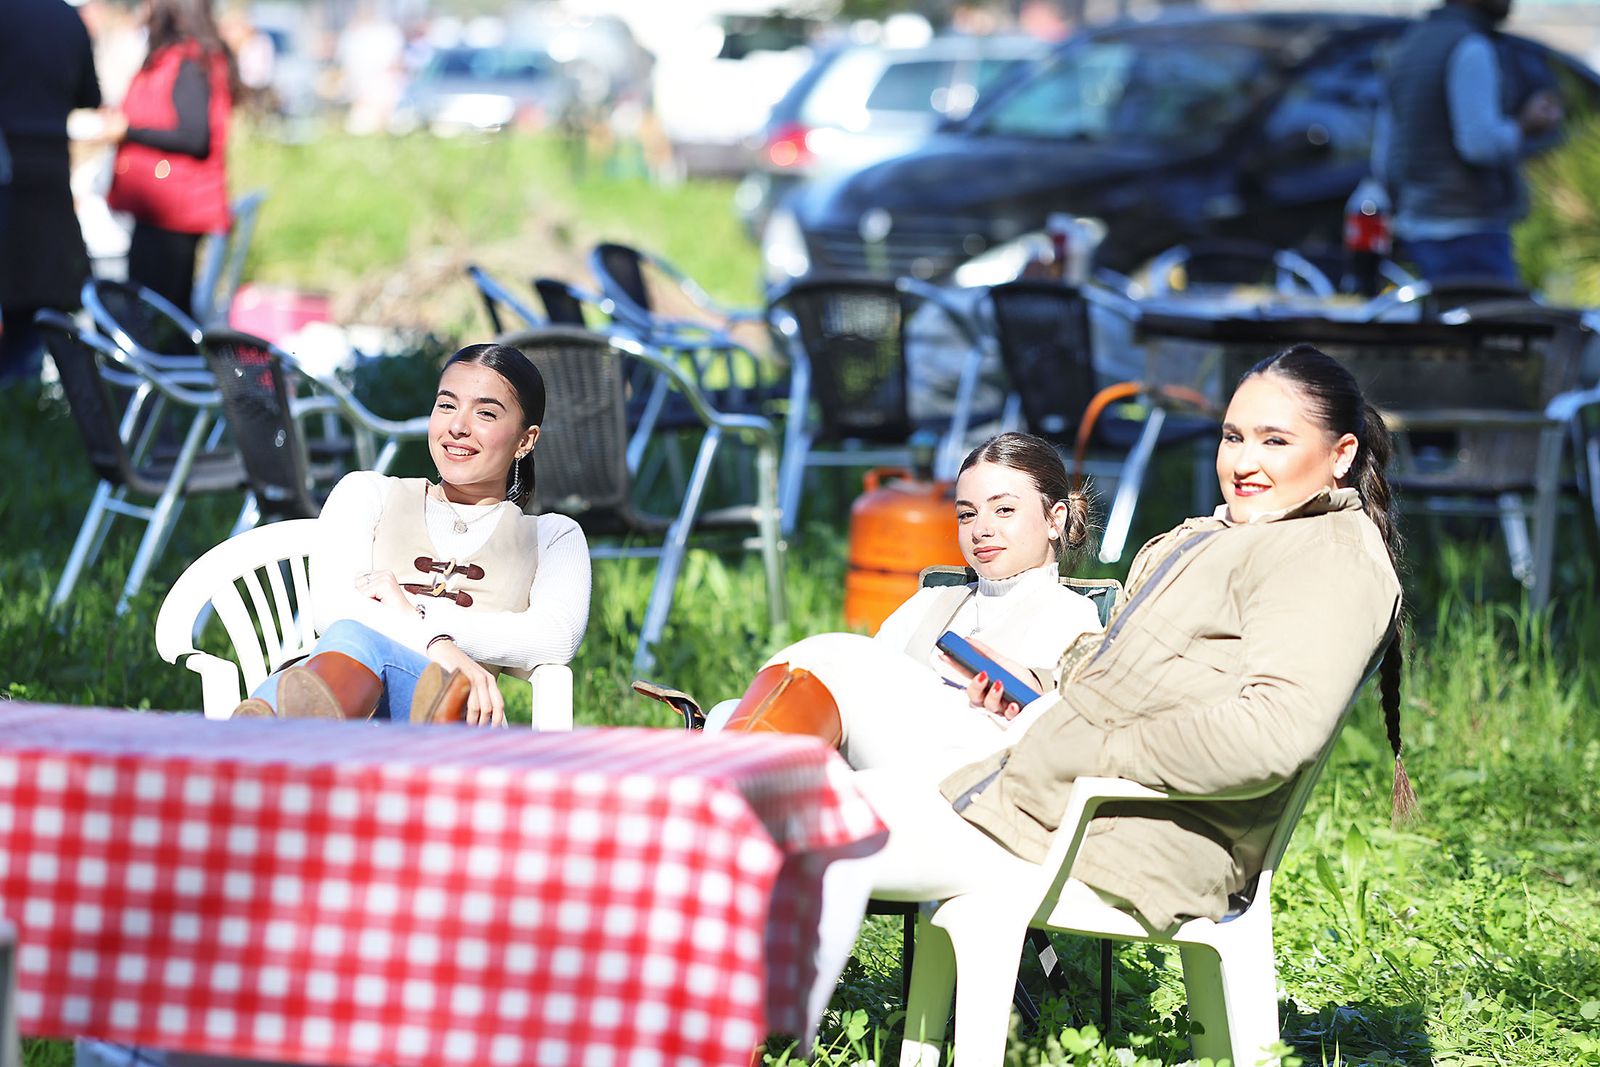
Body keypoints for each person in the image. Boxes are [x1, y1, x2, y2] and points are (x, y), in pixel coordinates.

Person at [856, 344, 1410, 934]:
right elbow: (1156, 683)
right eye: (1232, 437)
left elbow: (1270, 737)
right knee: (819, 704)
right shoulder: (1243, 535)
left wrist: (1088, 744)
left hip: (1106, 841)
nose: (1244, 462)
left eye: (1274, 441)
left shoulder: (1327, 559)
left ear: (1341, 454)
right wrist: (1042, 691)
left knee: (802, 810)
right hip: (1048, 799)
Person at [694, 432, 1104, 775]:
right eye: (966, 515)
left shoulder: (1072, 614)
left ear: (1056, 519)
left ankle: (717, 806)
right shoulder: (932, 602)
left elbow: (1080, 733)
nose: (981, 529)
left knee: (830, 658)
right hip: (901, 768)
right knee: (727, 713)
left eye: (1004, 510)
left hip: (976, 778)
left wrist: (1031, 690)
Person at [231, 343, 592, 726]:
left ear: (525, 440)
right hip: (344, 701)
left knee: (360, 636)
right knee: (351, 637)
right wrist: (436, 643)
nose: (457, 426)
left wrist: (412, 611)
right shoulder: (367, 493)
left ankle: (263, 736)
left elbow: (556, 637)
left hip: (458, 723)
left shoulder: (553, 536)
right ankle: (276, 731)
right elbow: (332, 609)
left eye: (485, 413)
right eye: (447, 405)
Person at [1375, 0, 1563, 285]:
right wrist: (1526, 125)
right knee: (1493, 327)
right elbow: (1479, 145)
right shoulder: (1470, 45)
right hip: (1470, 235)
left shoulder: (1410, 45)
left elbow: (1385, 155)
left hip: (1419, 230)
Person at [101, 0, 234, 317]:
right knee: (155, 310)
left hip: (173, 209)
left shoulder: (188, 61)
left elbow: (194, 135)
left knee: (160, 316)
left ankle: (171, 367)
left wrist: (129, 130)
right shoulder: (178, 57)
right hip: (162, 208)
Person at [0, 0, 101, 379]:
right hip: (50, 177)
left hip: (14, 171)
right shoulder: (66, 18)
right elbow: (89, 95)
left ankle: (21, 411)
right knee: (39, 304)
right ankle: (24, 407)